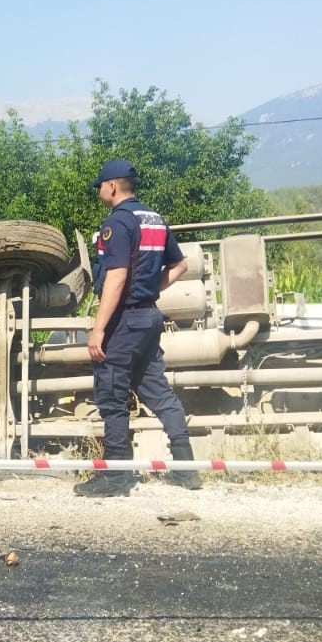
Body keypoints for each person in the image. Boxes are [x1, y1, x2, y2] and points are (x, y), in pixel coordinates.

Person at [75, 159, 202, 497]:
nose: (100, 191)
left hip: (125, 321)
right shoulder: (155, 219)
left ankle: (116, 476)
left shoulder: (117, 222)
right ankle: (187, 469)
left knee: (112, 395)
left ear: (112, 187)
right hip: (149, 317)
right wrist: (150, 290)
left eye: (101, 186)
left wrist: (99, 328)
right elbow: (180, 264)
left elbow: (115, 278)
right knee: (156, 390)